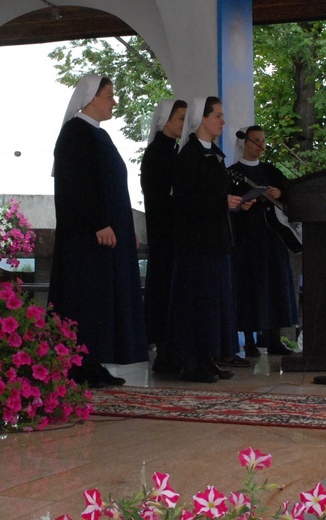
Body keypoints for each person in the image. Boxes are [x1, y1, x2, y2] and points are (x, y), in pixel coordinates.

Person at [49, 74, 148, 388]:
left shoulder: (96, 134)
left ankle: (93, 361)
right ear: (91, 98)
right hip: (87, 238)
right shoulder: (76, 133)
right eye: (109, 95)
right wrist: (99, 223)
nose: (114, 102)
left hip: (106, 234)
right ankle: (81, 365)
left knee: (102, 300)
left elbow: (111, 186)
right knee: (87, 300)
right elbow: (76, 187)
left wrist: (124, 225)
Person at [168, 96, 254, 383]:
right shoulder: (188, 155)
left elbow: (217, 194)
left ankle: (209, 357)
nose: (222, 121)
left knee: (214, 303)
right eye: (217, 115)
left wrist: (238, 202)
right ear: (201, 119)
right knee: (198, 303)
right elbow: (185, 199)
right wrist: (222, 201)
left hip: (216, 240)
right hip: (197, 244)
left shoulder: (215, 153)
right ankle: (193, 362)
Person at [230, 125, 298, 357]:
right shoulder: (233, 172)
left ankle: (275, 339)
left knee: (276, 287)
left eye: (263, 141)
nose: (261, 145)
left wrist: (281, 193)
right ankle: (248, 342)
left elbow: (291, 195)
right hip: (247, 241)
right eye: (256, 140)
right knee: (249, 288)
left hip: (273, 239)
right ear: (245, 143)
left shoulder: (271, 171)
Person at [141, 99, 187, 374]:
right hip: (163, 233)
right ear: (166, 120)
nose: (184, 124)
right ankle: (164, 350)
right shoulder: (157, 153)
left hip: (174, 233)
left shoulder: (173, 151)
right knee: (163, 289)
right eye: (181, 118)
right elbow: (158, 197)